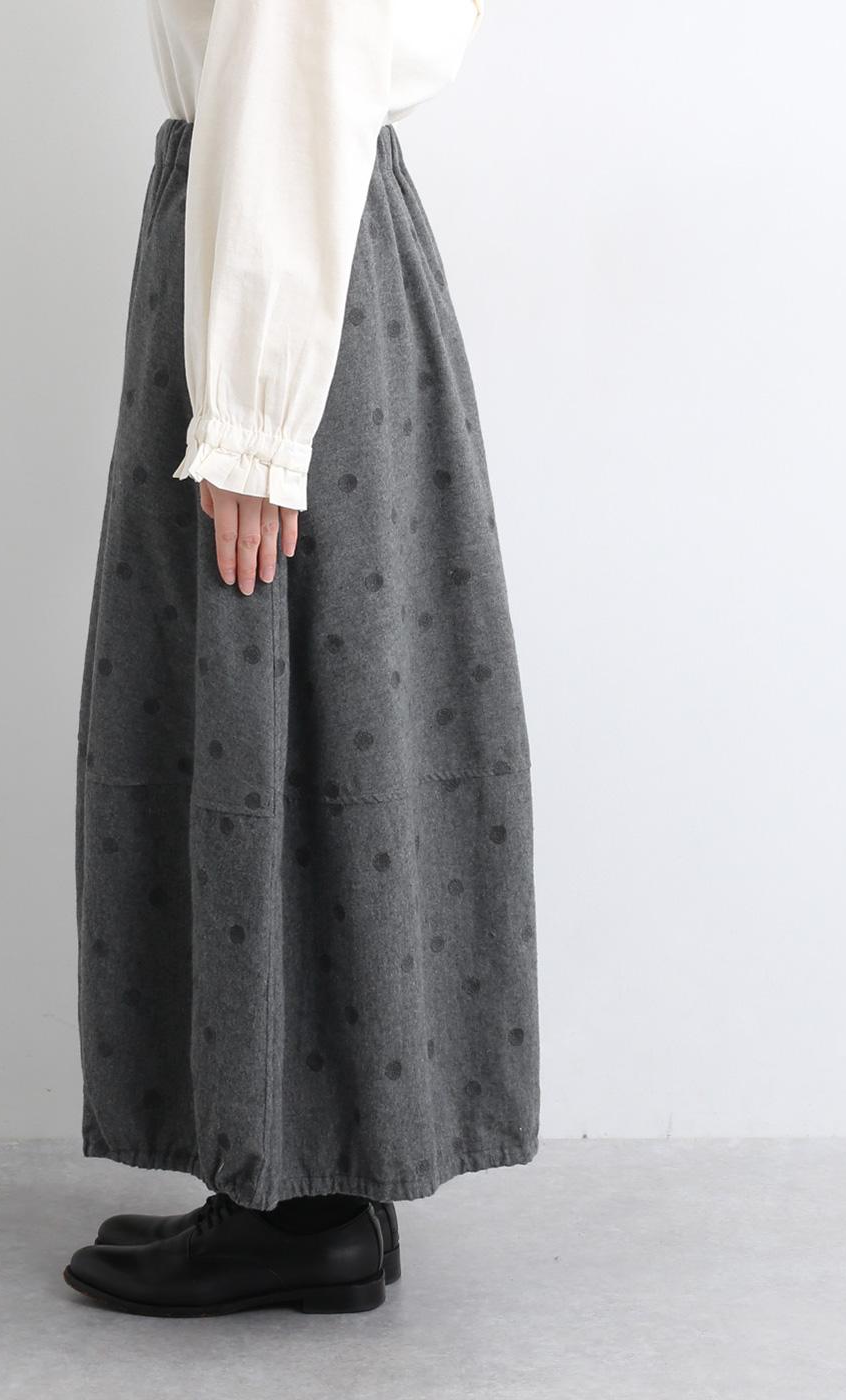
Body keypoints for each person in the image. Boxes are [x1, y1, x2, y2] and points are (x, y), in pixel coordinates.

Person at [64, 0, 539, 1318]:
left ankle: (299, 1210)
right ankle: (326, 1180)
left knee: (267, 717)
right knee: (327, 713)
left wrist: (253, 420)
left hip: (284, 272)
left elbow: (291, 65)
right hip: (301, 247)